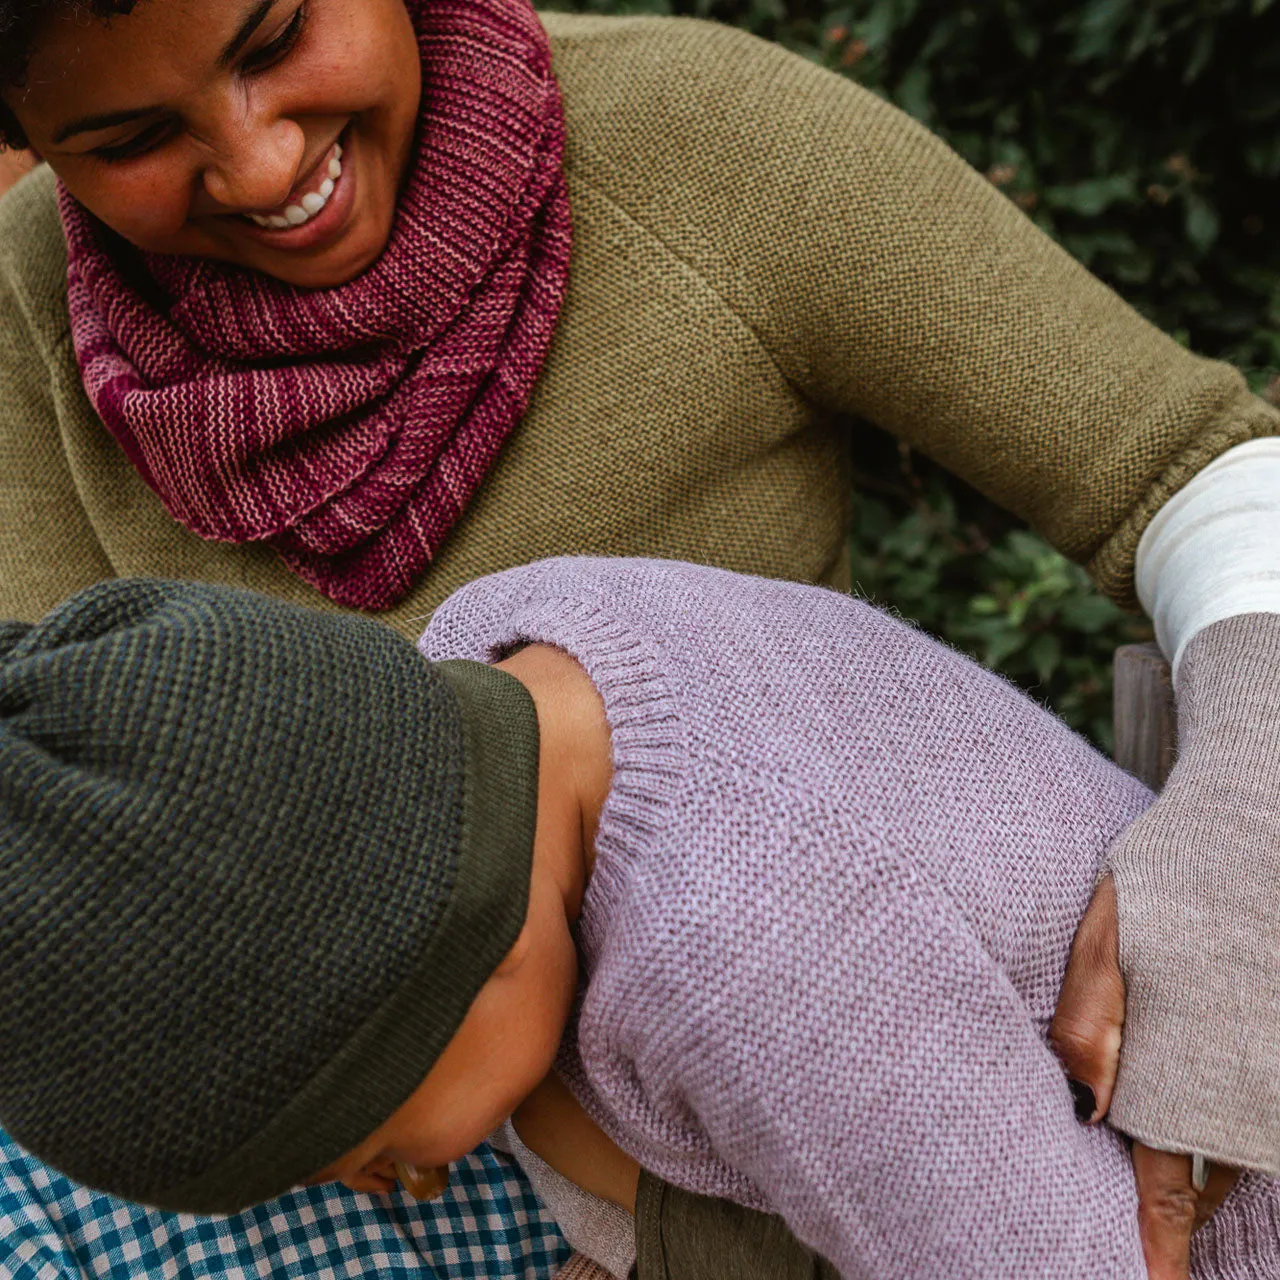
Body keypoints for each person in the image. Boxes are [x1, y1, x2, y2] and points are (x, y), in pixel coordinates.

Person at [1, 0, 1279, 1272]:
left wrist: (1242, 835)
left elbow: (1186, 469)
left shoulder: (699, 141)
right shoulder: (23, 318)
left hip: (833, 1107)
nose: (266, 163)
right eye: (131, 137)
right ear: (28, 142)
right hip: (401, 1141)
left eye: (277, 40)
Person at [1, 564, 1279, 1280]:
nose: (372, 1185)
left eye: (363, 1143)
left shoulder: (744, 947)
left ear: (426, 978)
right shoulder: (524, 648)